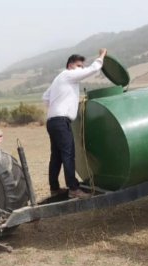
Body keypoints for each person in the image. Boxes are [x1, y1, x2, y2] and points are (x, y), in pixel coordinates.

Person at [42, 48, 107, 199]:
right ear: (70, 65)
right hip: (61, 121)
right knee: (68, 154)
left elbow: (45, 97)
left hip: (52, 121)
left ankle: (54, 188)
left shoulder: (60, 78)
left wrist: (58, 105)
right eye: (79, 66)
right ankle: (73, 189)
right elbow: (93, 69)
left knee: (56, 156)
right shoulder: (68, 75)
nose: (81, 69)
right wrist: (102, 55)